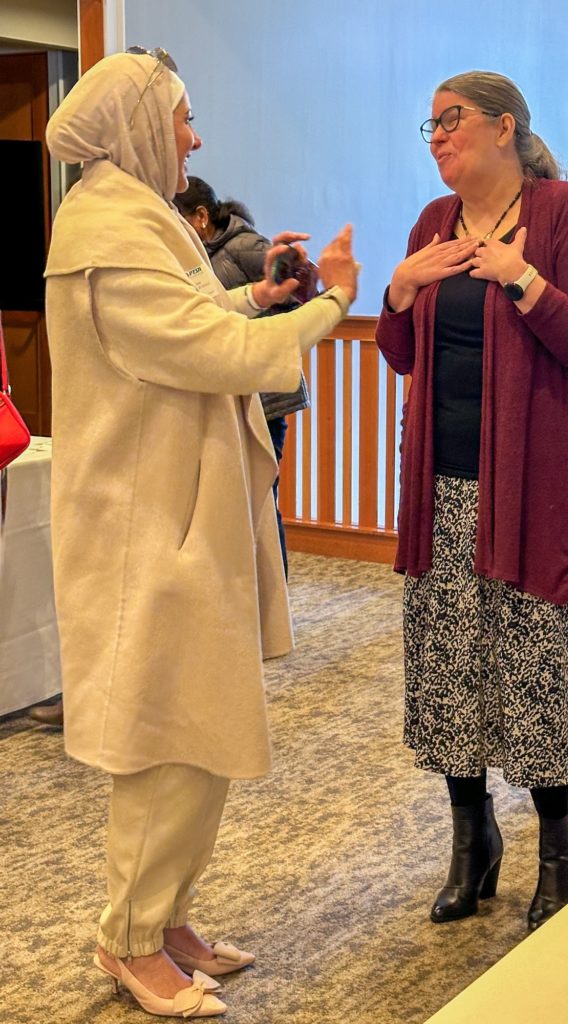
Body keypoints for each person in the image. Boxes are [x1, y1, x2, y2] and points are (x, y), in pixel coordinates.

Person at [44, 49, 357, 1018]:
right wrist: (332, 306)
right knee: (166, 735)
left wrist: (260, 298)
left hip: (181, 512)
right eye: (183, 117)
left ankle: (169, 914)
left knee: (202, 721)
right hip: (146, 525)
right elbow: (207, 351)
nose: (195, 137)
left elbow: (194, 318)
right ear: (141, 123)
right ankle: (128, 937)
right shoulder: (106, 227)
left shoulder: (140, 214)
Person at [376, 70, 568, 932]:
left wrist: (524, 280)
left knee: (534, 666)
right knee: (449, 666)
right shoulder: (432, 224)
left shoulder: (565, 214)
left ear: (505, 126)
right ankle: (470, 842)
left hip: (533, 489)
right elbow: (402, 354)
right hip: (440, 486)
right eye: (431, 125)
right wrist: (398, 290)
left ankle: (558, 845)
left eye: (453, 120)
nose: (438, 137)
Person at [174, 177, 312, 575]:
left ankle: (275, 594)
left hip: (265, 396)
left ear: (201, 217)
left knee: (262, 499)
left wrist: (275, 292)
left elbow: (300, 293)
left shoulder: (244, 246)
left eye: (179, 218)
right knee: (236, 503)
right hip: (232, 392)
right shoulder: (199, 257)